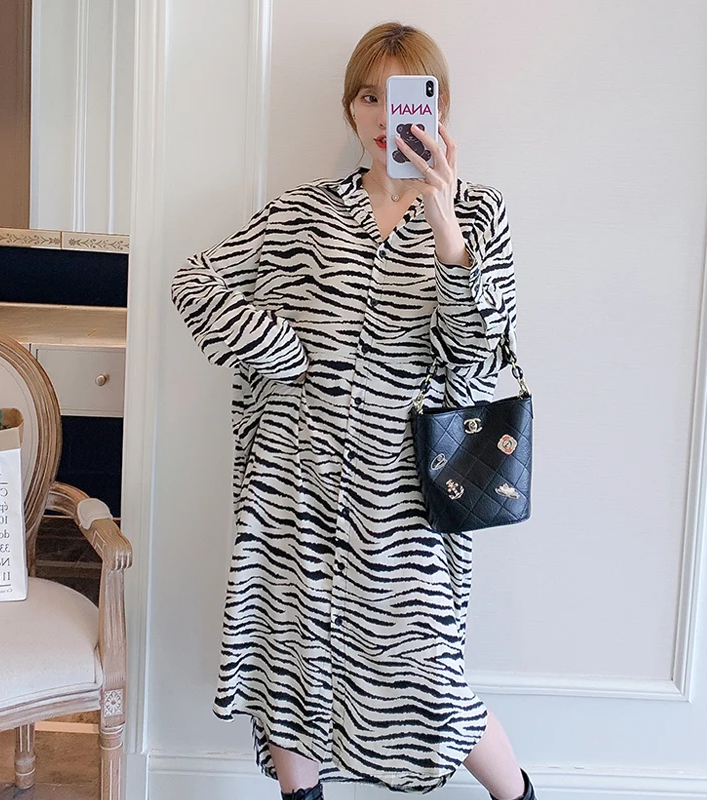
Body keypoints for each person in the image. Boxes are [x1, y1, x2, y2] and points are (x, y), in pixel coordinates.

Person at [171, 20, 536, 800]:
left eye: (403, 97)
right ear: (349, 107)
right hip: (294, 481)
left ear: (437, 108)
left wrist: (442, 218)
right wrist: (285, 350)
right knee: (288, 665)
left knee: (430, 675)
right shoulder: (302, 215)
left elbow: (477, 355)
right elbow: (195, 283)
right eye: (368, 97)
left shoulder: (480, 212)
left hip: (408, 491)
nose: (382, 116)